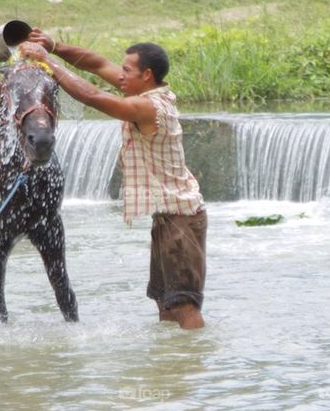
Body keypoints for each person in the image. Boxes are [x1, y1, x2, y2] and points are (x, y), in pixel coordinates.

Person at [18, 31, 207, 330]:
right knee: (165, 303)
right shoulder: (142, 93)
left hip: (181, 219)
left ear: (147, 75)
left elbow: (92, 96)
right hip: (170, 217)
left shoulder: (148, 108)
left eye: (127, 71)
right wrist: (54, 45)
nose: (120, 75)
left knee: (184, 305)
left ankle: (195, 366)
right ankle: (172, 368)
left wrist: (48, 62)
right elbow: (96, 63)